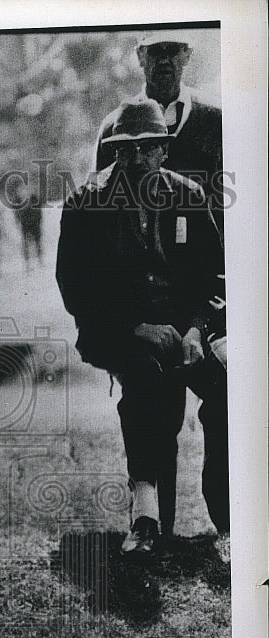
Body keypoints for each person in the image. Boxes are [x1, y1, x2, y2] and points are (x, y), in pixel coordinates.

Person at [56, 99, 228, 558]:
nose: (135, 160)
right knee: (150, 382)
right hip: (116, 330)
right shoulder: (86, 202)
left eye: (147, 149)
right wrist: (135, 326)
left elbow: (213, 277)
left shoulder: (189, 195)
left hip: (183, 330)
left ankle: (228, 513)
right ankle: (147, 516)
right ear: (113, 152)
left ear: (164, 151)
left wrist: (194, 329)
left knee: (228, 388)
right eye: (124, 150)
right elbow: (76, 287)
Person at [95, 30, 224, 226]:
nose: (164, 60)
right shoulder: (113, 130)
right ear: (140, 55)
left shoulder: (217, 120)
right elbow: (98, 202)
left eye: (172, 50)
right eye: (155, 51)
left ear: (187, 55)